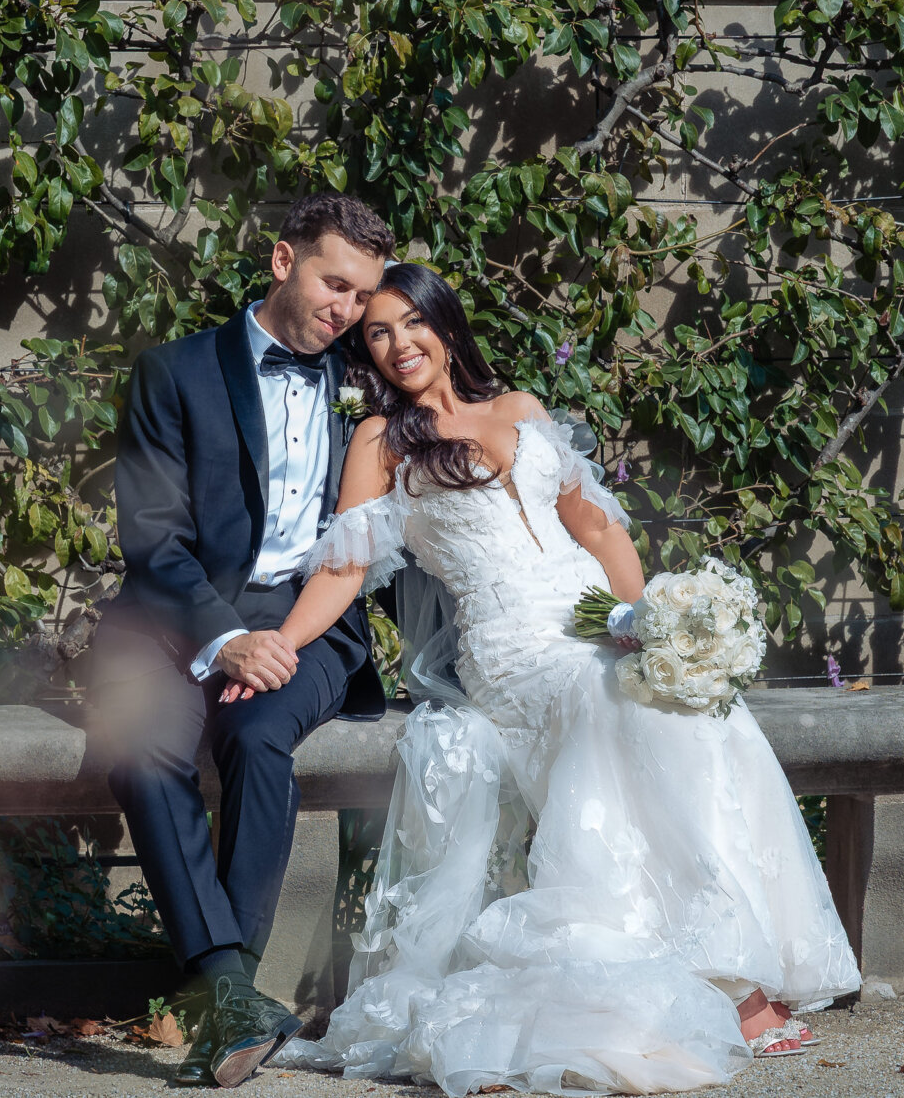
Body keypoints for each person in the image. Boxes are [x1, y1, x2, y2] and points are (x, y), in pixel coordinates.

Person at [238, 262, 860, 1096]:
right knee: (625, 710)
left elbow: (599, 529)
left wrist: (649, 623)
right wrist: (275, 645)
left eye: (407, 323)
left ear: (443, 325)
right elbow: (343, 572)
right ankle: (735, 994)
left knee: (693, 709)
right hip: (514, 652)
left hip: (596, 625)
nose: (395, 345)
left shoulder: (523, 410)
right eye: (375, 334)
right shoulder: (381, 443)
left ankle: (736, 966)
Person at [85, 193, 394, 1089]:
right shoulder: (173, 373)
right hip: (173, 613)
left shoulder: (368, 385)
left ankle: (231, 994)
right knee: (143, 752)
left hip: (310, 622)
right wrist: (222, 637)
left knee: (260, 742)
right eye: (334, 284)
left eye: (360, 298)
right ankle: (227, 989)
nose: (346, 311)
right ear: (281, 260)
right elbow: (150, 534)